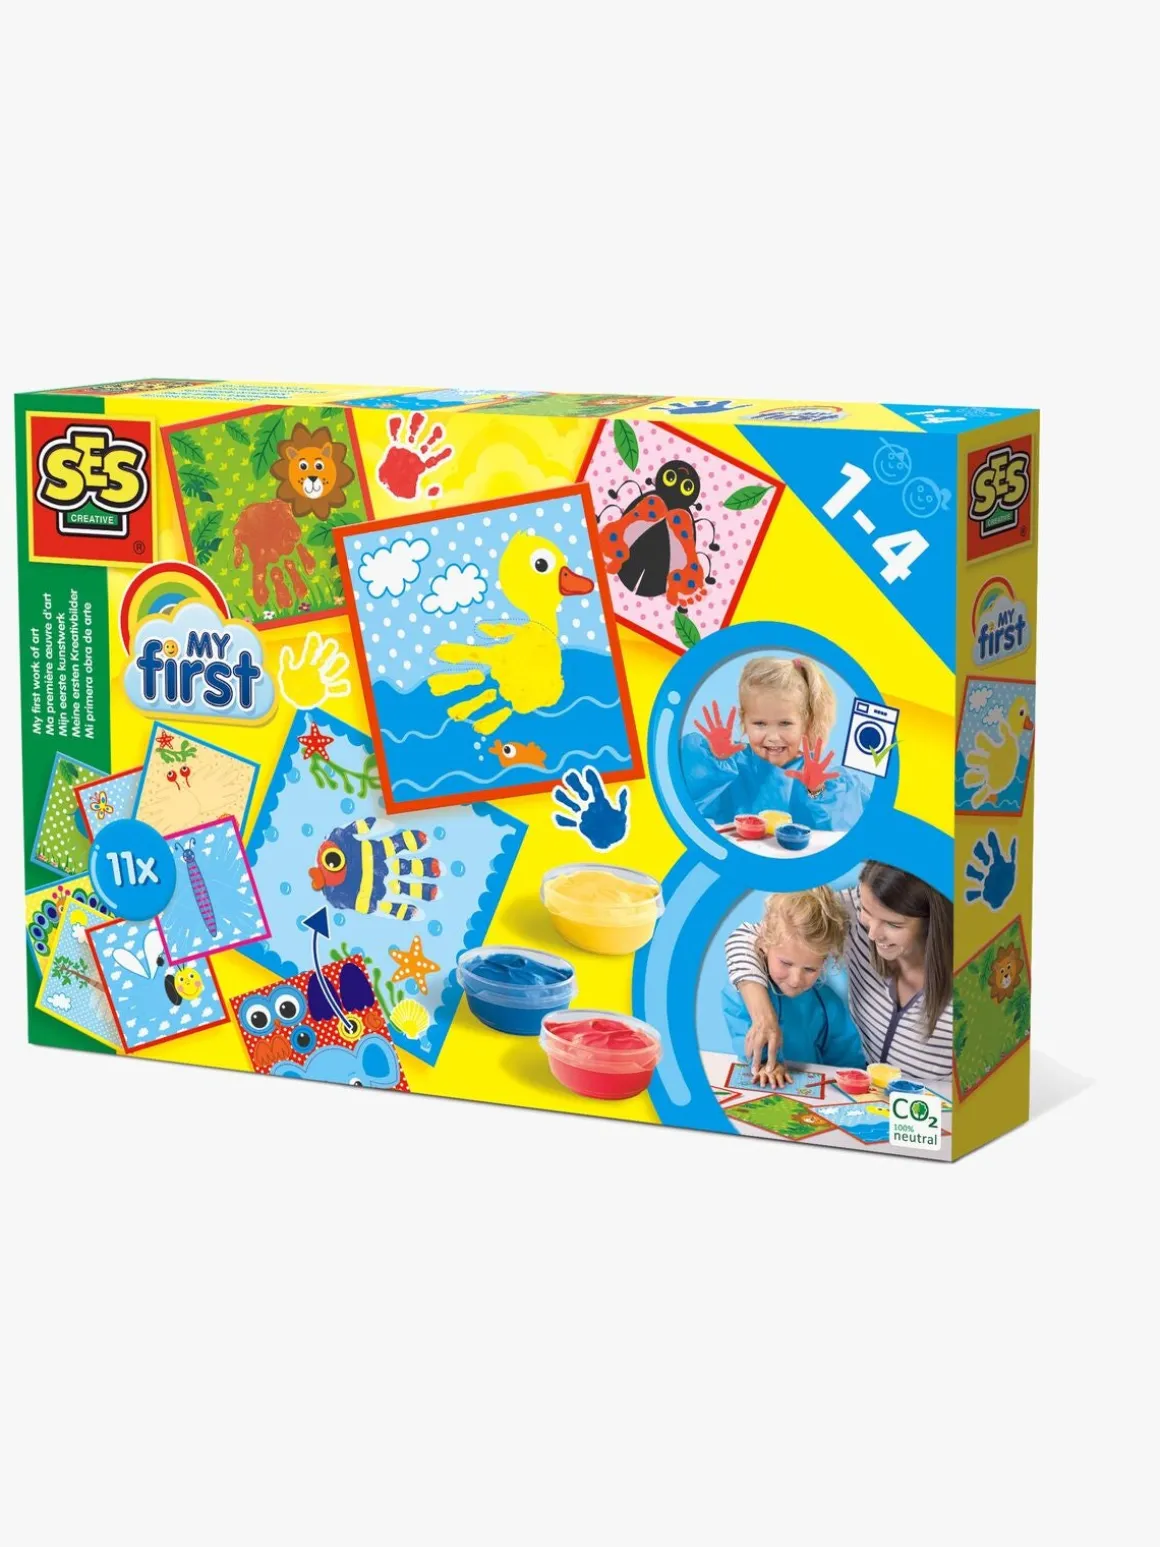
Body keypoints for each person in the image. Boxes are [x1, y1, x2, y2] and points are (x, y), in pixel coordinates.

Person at [726, 861, 954, 1083]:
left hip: (933, 1100)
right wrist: (763, 1017)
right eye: (866, 911)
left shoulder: (969, 972)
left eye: (893, 924)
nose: (872, 935)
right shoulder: (843, 913)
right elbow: (748, 936)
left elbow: (845, 1052)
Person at [681, 655, 867, 831]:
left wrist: (817, 791)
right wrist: (714, 761)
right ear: (744, 721)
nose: (772, 737)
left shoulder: (824, 779)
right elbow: (684, 798)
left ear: (806, 724)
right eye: (760, 723)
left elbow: (845, 833)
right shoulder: (731, 766)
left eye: (785, 723)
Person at [722, 887, 865, 1086]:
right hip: (764, 1084)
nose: (796, 980)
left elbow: (846, 1056)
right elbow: (746, 1036)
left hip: (814, 1090)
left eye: (810, 969)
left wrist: (853, 1079)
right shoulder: (743, 993)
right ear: (764, 944)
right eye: (786, 963)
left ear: (824, 962)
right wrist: (768, 1064)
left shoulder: (827, 1003)